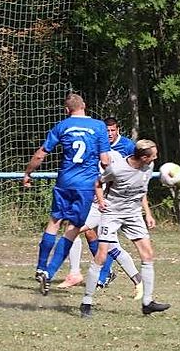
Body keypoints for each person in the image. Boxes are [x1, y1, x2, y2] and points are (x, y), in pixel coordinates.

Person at [24, 93, 111, 295]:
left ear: (67, 110)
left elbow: (41, 154)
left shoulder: (62, 126)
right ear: (84, 106)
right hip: (85, 186)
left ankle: (41, 266)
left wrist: (28, 173)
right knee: (73, 229)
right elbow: (105, 161)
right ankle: (49, 273)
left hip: (64, 182)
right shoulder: (99, 126)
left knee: (54, 221)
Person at [80, 139, 169, 317]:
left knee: (148, 254)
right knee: (101, 256)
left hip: (133, 214)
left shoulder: (148, 167)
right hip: (112, 213)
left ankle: (147, 303)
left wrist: (148, 213)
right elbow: (98, 183)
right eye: (153, 155)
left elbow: (142, 191)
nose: (156, 158)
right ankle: (86, 302)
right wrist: (101, 201)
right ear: (143, 157)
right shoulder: (117, 169)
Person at [58, 116, 137, 290]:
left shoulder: (126, 147)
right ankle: (121, 277)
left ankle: (98, 274)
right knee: (91, 235)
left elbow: (131, 172)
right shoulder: (97, 145)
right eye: (106, 130)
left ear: (118, 130)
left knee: (98, 238)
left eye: (112, 130)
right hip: (96, 199)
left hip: (111, 202)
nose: (109, 133)